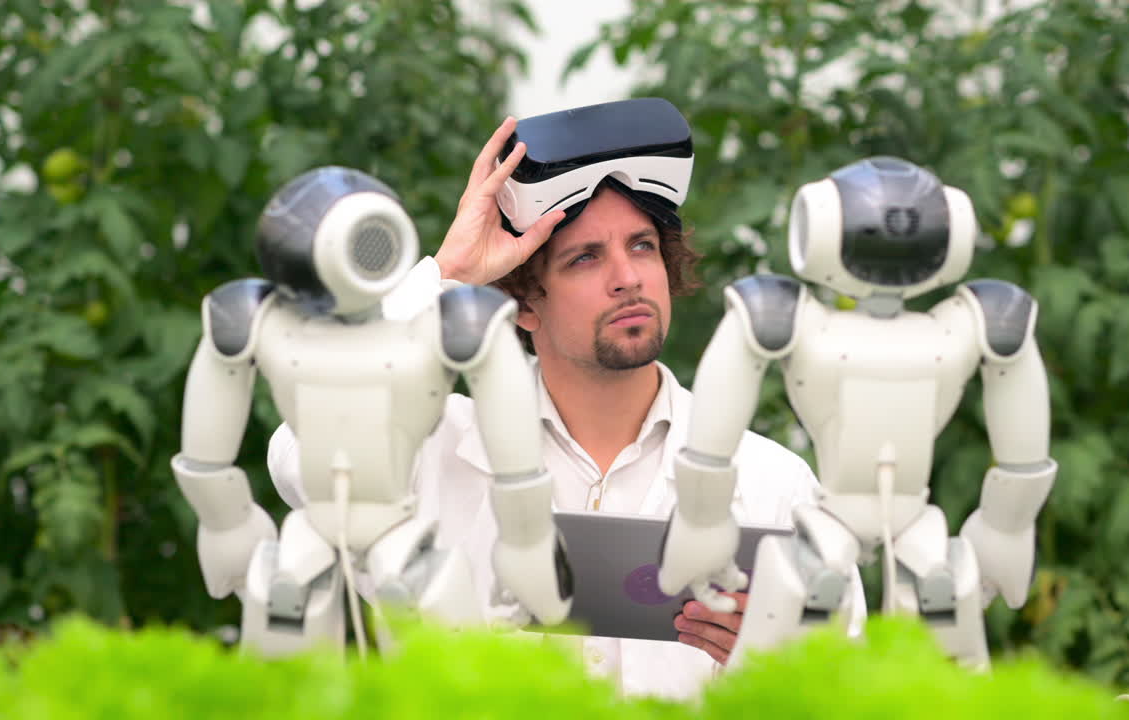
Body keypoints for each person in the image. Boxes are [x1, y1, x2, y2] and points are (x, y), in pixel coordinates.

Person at [268, 110, 864, 699]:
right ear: (525, 305)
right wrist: (449, 277)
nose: (628, 277)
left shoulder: (773, 484)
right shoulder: (431, 451)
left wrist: (779, 662)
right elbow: (307, 448)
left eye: (643, 246)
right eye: (585, 258)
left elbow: (857, 691)